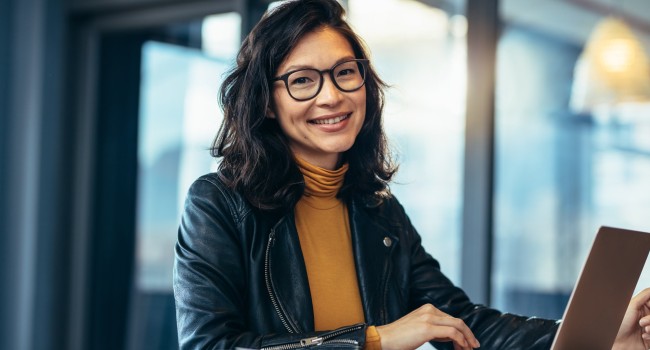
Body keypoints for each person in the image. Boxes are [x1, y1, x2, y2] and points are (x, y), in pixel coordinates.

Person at [173, 0, 650, 349]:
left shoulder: (378, 211)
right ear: (265, 101)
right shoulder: (218, 204)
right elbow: (209, 345)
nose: (331, 97)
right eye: (302, 80)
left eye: (345, 72)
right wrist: (374, 340)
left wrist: (602, 337)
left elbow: (462, 323)